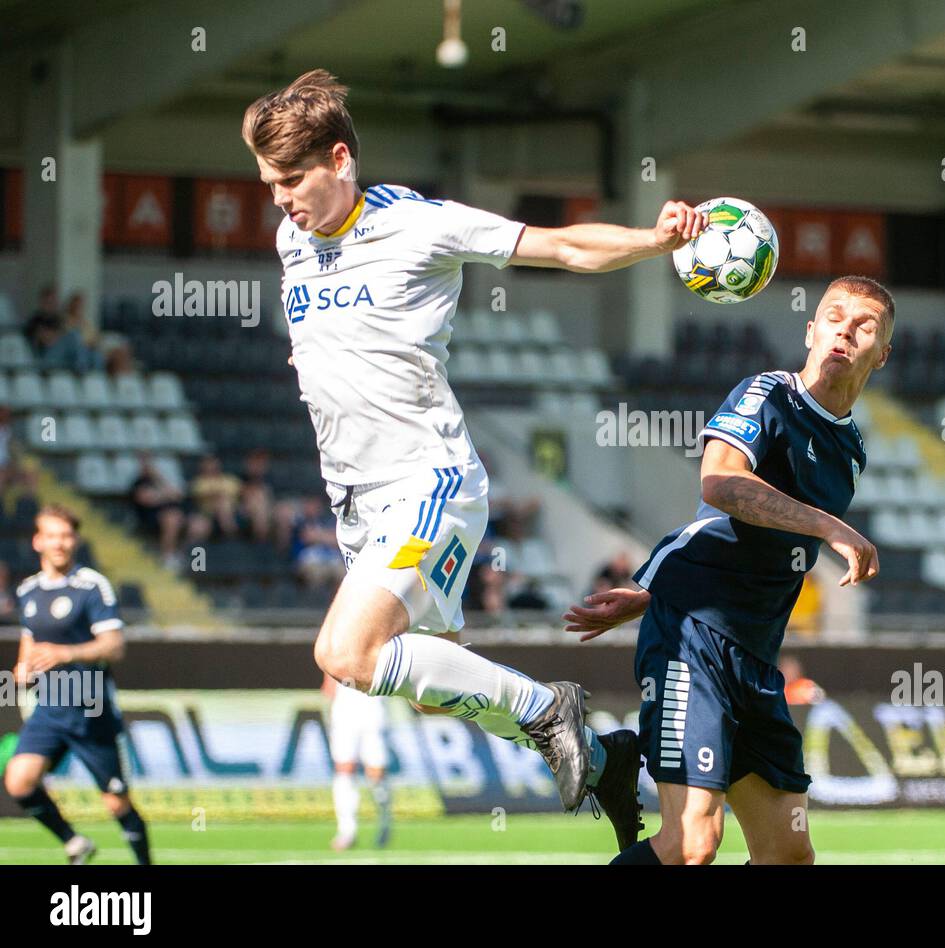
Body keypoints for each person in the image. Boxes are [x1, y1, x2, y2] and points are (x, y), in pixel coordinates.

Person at [241, 68, 699, 845]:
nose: (279, 198)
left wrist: (655, 239)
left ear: (341, 159)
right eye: (268, 182)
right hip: (357, 503)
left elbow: (559, 247)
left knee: (346, 653)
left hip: (427, 484)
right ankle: (603, 756)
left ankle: (549, 709)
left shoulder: (420, 224)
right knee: (427, 682)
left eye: (290, 179)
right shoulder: (294, 238)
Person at [565, 276, 890, 864]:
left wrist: (648, 593)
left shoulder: (851, 450)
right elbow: (720, 484)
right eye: (833, 316)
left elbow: (758, 543)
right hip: (695, 639)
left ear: (880, 353)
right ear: (811, 331)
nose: (845, 328)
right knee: (692, 843)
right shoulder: (768, 394)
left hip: (755, 657)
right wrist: (828, 525)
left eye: (863, 324)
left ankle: (618, 755)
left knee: (788, 853)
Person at [2, 504, 151, 864]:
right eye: (52, 535)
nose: (60, 543)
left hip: (91, 710)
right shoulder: (28, 591)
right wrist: (23, 665)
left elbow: (114, 646)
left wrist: (64, 654)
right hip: (49, 708)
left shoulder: (91, 587)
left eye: (67, 535)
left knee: (116, 803)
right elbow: (30, 638)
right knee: (18, 782)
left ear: (76, 540)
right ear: (38, 541)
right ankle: (74, 842)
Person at [323, 675, 393, 851]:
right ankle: (347, 831)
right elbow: (329, 678)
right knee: (344, 769)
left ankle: (384, 822)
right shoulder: (335, 647)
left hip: (373, 709)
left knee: (376, 774)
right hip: (344, 712)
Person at [128, 452, 191, 569]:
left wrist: (159, 480)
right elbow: (146, 499)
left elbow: (177, 494)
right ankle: (167, 556)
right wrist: (165, 494)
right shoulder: (139, 482)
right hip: (150, 518)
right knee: (171, 518)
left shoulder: (159, 480)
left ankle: (194, 559)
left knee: (196, 523)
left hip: (174, 514)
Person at [188, 454, 242, 541]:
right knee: (197, 527)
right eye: (207, 463)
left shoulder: (229, 479)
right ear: (202, 465)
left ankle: (233, 542)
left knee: (223, 505)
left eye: (213, 462)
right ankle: (195, 553)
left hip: (232, 512)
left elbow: (242, 492)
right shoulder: (198, 481)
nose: (210, 466)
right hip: (205, 515)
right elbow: (198, 495)